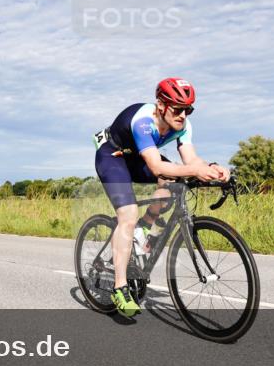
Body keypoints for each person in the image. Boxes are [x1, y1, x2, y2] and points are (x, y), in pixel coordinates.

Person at [93, 78, 229, 318]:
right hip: (113, 157)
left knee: (173, 183)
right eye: (177, 108)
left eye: (188, 109)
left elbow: (191, 161)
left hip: (138, 158)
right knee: (128, 214)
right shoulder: (144, 122)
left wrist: (214, 168)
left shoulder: (184, 125)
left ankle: (143, 229)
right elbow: (156, 167)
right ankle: (120, 286)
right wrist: (196, 171)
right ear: (161, 105)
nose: (182, 114)